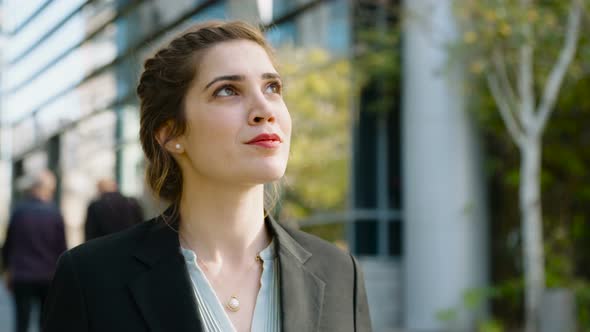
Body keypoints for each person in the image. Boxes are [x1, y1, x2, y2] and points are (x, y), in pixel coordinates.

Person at [42, 20, 372, 332]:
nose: (265, 110)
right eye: (227, 90)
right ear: (171, 133)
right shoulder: (91, 278)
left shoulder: (340, 274)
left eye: (272, 87)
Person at [2, 170, 67, 332]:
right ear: (47, 189)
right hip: (48, 275)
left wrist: (7, 270)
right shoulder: (54, 214)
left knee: (21, 321)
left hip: (22, 275)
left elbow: (9, 245)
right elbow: (61, 248)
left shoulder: (19, 212)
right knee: (46, 322)